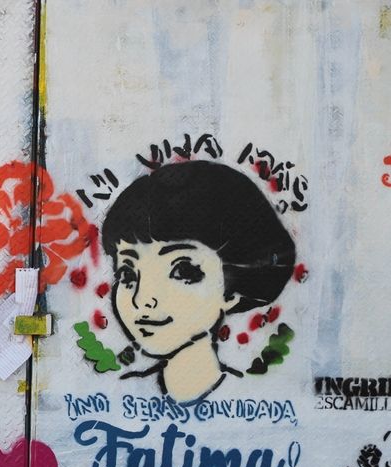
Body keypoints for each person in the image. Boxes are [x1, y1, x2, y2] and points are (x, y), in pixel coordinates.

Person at [101, 160, 295, 403]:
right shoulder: (121, 398)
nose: (143, 299)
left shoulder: (248, 400)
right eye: (128, 274)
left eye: (182, 271)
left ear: (231, 290)